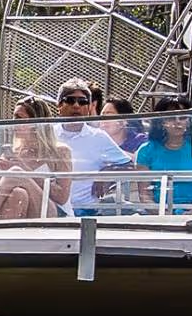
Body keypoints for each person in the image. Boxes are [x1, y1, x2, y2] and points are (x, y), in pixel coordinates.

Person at [0, 95, 71, 221]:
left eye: (19, 118)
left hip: (52, 212)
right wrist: (1, 175)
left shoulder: (60, 151)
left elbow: (62, 197)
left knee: (17, 172)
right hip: (22, 207)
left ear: (36, 122)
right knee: (18, 194)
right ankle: (1, 239)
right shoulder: (13, 152)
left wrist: (25, 172)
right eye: (13, 117)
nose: (14, 123)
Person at [54, 78, 134, 214]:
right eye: (70, 100)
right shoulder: (48, 134)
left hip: (86, 210)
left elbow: (129, 165)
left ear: (89, 108)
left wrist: (106, 173)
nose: (76, 106)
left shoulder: (98, 137)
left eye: (82, 101)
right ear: (59, 105)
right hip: (52, 209)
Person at [133, 95, 192, 212]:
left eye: (182, 117)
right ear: (160, 121)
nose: (177, 122)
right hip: (160, 215)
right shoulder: (146, 150)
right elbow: (145, 195)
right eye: (171, 117)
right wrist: (165, 216)